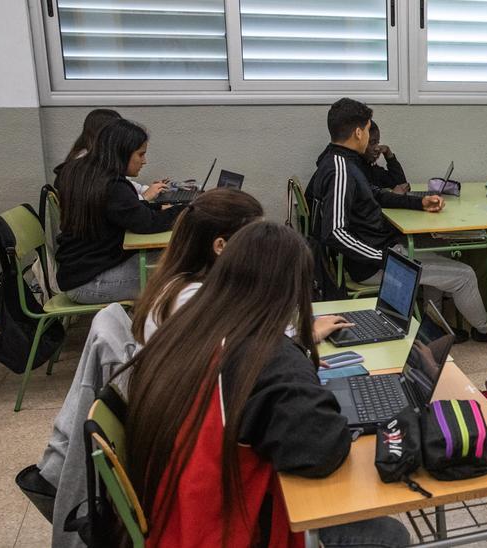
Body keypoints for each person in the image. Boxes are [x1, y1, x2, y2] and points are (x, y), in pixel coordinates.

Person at [124, 222, 409, 547]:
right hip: (220, 529)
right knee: (386, 535)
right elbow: (320, 453)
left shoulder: (195, 324)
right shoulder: (264, 357)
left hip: (171, 512)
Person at [306, 98, 487, 343]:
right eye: (368, 128)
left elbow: (374, 195)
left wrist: (419, 202)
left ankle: (437, 324)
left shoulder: (341, 162)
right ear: (359, 131)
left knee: (441, 254)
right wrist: (386, 259)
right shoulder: (341, 168)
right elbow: (335, 233)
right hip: (373, 263)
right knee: (465, 275)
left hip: (380, 252)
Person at [131, 188, 352, 344]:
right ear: (220, 246)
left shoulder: (187, 280)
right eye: (252, 238)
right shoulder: (192, 298)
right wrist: (305, 338)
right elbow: (246, 355)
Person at [55, 119, 185, 304]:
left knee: (174, 259)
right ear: (122, 153)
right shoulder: (112, 185)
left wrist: (157, 207)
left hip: (81, 272)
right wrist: (186, 210)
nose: (144, 161)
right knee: (183, 273)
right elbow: (146, 223)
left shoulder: (88, 172)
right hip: (91, 283)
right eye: (140, 154)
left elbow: (127, 211)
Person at [53, 108, 166, 200]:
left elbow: (124, 184)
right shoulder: (87, 165)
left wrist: (149, 189)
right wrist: (145, 197)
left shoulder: (100, 158)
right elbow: (118, 202)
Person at [363, 120, 409, 194]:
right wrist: (392, 196)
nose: (377, 148)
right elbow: (363, 201)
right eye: (372, 143)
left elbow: (400, 184)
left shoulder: (371, 167)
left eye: (377, 143)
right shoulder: (354, 170)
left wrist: (388, 154)